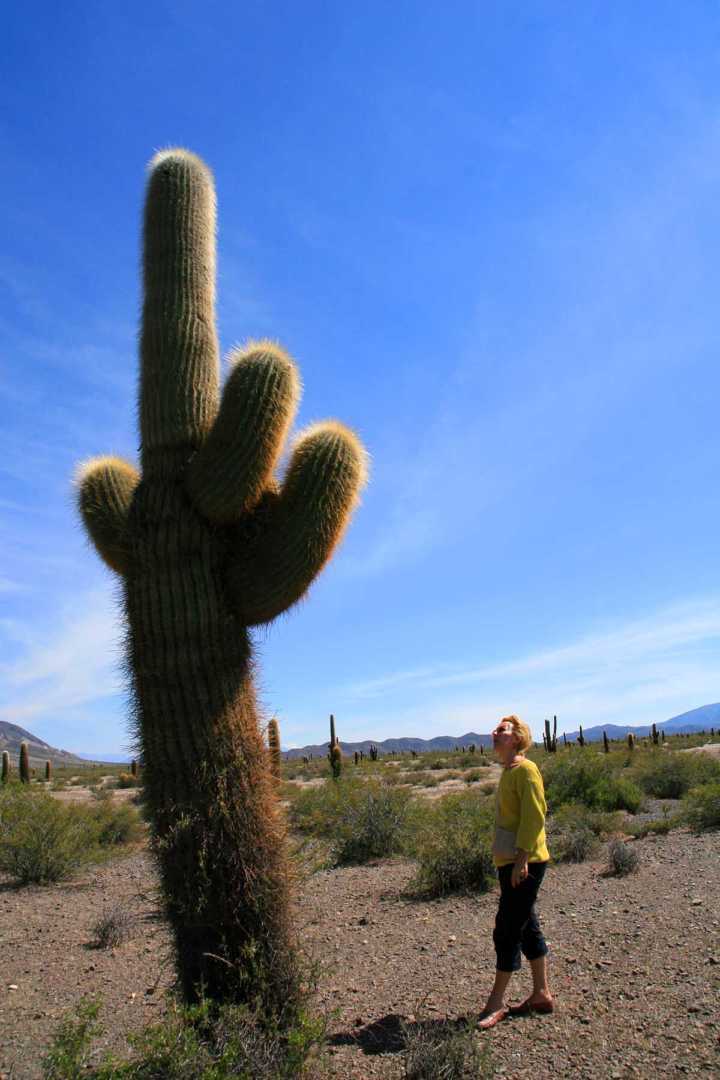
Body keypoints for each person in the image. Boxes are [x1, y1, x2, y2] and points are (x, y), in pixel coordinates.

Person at [478, 714, 553, 1030]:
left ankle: (495, 1003)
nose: (495, 733)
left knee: (507, 927)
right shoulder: (509, 772)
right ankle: (541, 994)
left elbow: (535, 817)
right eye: (495, 729)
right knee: (526, 925)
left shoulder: (526, 771)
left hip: (526, 862)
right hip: (512, 860)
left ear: (517, 738)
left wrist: (522, 860)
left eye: (503, 730)